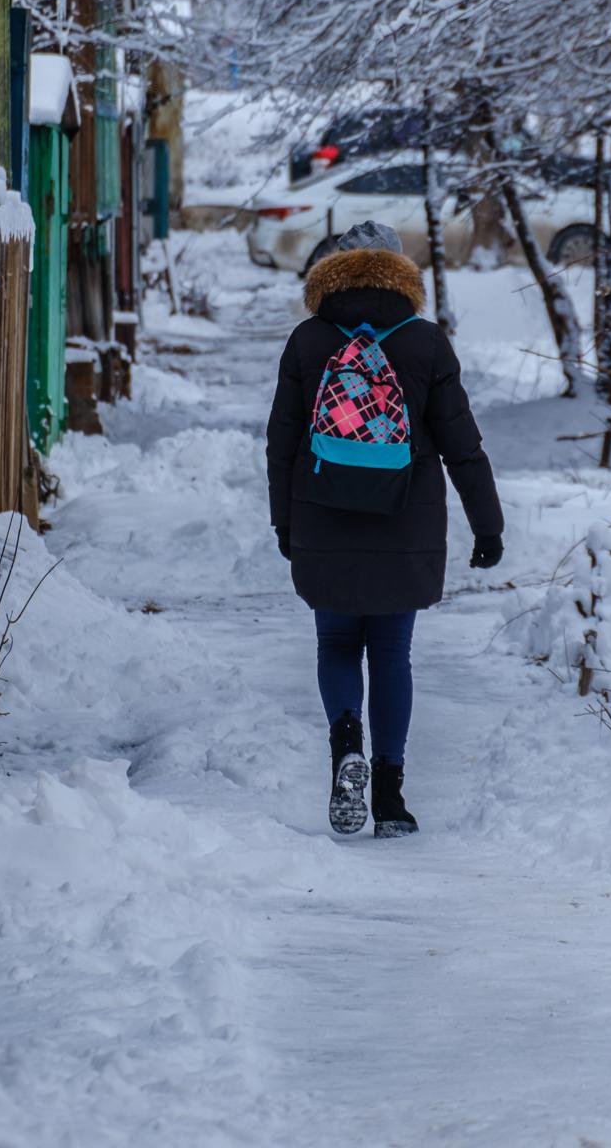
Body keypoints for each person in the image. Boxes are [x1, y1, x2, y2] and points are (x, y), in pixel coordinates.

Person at [265, 221, 504, 837]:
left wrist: (285, 523)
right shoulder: (425, 343)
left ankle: (346, 740)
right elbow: (464, 447)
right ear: (401, 273)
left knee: (337, 644)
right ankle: (390, 796)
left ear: (335, 269)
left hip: (324, 518)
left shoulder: (309, 340)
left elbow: (282, 443)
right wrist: (487, 525)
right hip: (406, 523)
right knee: (392, 653)